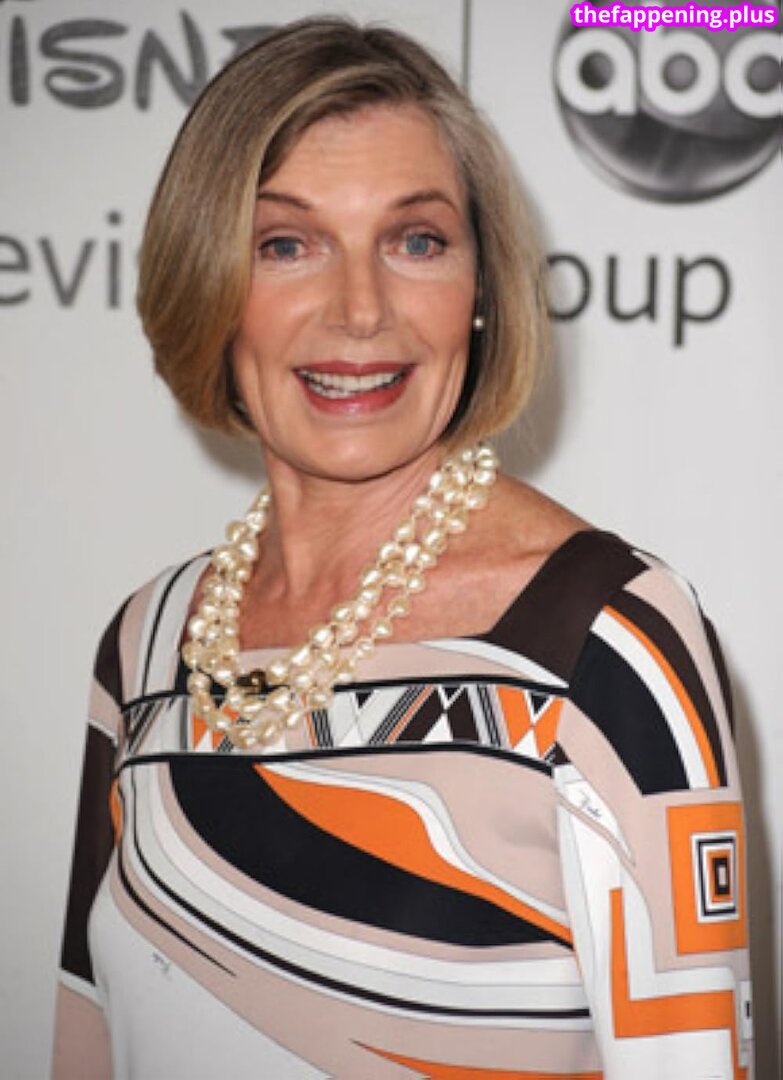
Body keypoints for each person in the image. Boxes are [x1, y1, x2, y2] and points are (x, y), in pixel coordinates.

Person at [52, 16, 753, 1080]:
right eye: (286, 244)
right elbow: (85, 1041)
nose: (360, 311)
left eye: (415, 240)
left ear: (480, 294)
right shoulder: (146, 644)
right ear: (209, 285)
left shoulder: (607, 642)